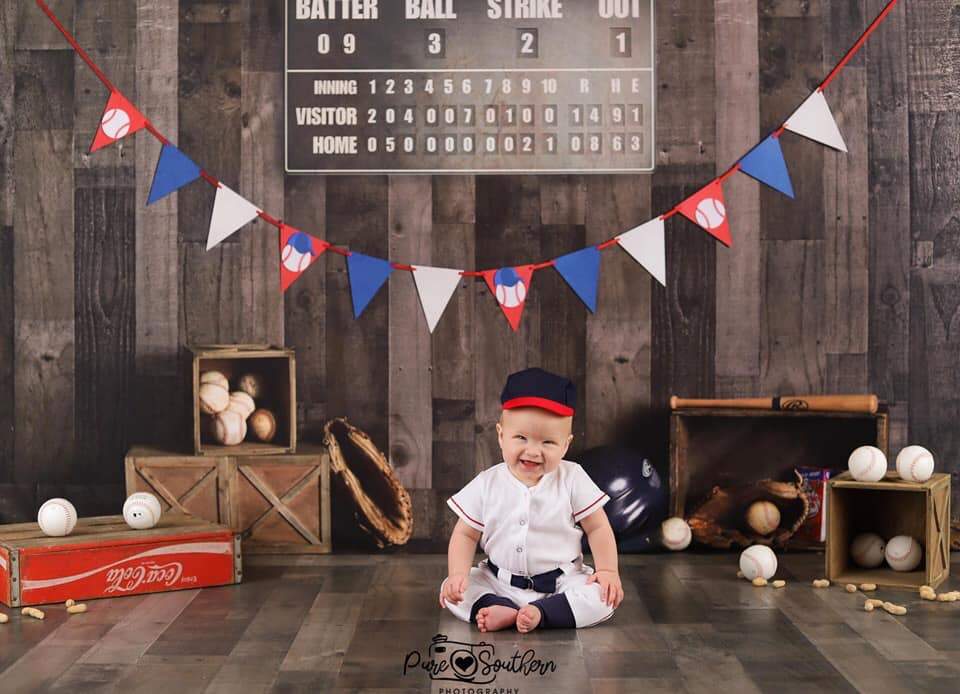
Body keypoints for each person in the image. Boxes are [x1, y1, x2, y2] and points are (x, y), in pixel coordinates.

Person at [439, 368, 624, 632]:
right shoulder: (487, 483)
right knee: (454, 591)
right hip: (498, 579)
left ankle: (542, 613)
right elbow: (465, 535)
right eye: (521, 438)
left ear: (565, 445)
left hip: (562, 581)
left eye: (548, 442)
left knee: (603, 598)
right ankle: (498, 606)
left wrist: (608, 571)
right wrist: (457, 575)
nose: (533, 451)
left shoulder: (572, 477)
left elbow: (597, 527)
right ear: (501, 436)